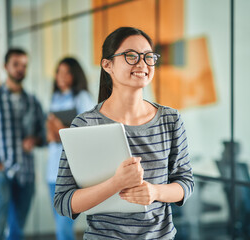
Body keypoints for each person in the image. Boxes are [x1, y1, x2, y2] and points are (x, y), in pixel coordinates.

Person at [54, 27, 194, 239]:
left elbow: (185, 183)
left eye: (148, 57)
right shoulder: (85, 124)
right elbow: (64, 202)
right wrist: (116, 183)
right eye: (131, 56)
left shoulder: (170, 119)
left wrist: (156, 192)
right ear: (107, 64)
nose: (142, 64)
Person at [0, 48, 45, 240]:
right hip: (0, 173)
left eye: (24, 65)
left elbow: (43, 135)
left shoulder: (32, 101)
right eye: (16, 64)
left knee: (17, 232)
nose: (21, 69)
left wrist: (35, 140)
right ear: (5, 67)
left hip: (26, 174)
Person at [46, 57, 94, 240]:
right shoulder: (55, 98)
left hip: (71, 171)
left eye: (67, 72)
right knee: (60, 227)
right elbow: (50, 135)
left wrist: (59, 128)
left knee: (63, 229)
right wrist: (52, 132)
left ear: (75, 75)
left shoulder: (81, 98)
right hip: (52, 170)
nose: (61, 76)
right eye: (59, 71)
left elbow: (88, 134)